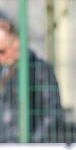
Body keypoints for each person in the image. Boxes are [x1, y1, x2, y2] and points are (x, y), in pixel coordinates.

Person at [0, 14, 63, 143]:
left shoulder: (39, 70)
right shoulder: (3, 70)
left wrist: (33, 145)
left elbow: (52, 113)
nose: (1, 57)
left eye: (1, 51)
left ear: (16, 43)